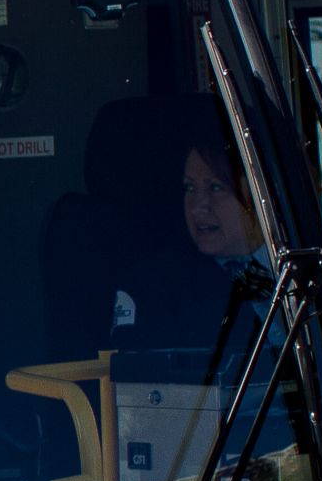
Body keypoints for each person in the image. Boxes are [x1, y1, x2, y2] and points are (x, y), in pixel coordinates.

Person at [109, 136, 273, 355]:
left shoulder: (315, 269)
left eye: (215, 188)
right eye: (190, 188)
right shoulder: (154, 287)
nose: (198, 208)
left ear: (259, 192)